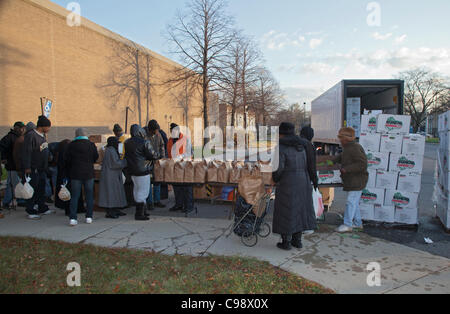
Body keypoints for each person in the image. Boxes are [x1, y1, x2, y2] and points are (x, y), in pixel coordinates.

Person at [272, 122, 317, 251]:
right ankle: (297, 241)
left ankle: (286, 242)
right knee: (300, 210)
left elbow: (278, 168)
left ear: (281, 133)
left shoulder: (281, 147)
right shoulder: (302, 145)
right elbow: (310, 164)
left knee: (286, 210)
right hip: (303, 181)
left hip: (288, 181)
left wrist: (276, 179)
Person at [333, 127, 368, 233]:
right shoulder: (348, 147)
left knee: (351, 201)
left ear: (345, 138)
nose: (339, 140)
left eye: (340, 138)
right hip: (354, 180)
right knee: (354, 202)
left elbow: (362, 164)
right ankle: (358, 223)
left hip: (357, 180)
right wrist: (331, 160)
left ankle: (347, 224)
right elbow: (341, 157)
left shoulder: (354, 148)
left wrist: (346, 169)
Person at [124, 124, 159, 221]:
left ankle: (143, 211)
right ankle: (139, 213)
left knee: (137, 190)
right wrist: (158, 154)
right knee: (143, 191)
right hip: (143, 170)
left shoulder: (127, 142)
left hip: (132, 170)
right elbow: (153, 155)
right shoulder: (144, 142)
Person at [65, 128, 99, 226]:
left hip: (75, 174)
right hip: (88, 173)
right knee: (89, 195)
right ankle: (89, 216)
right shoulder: (91, 145)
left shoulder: (71, 145)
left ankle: (73, 218)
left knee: (75, 196)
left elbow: (67, 159)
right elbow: (95, 157)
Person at [21, 116, 53, 220]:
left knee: (41, 189)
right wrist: (27, 167)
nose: (49, 129)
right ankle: (30, 210)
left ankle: (42, 207)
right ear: (42, 126)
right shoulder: (31, 136)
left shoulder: (42, 136)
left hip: (41, 168)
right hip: (33, 168)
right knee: (32, 189)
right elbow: (27, 152)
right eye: (48, 127)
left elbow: (44, 150)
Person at [167, 123, 194, 214]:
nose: (172, 133)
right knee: (177, 187)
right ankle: (179, 204)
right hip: (175, 167)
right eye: (171, 131)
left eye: (174, 131)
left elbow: (189, 153)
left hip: (185, 166)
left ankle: (189, 206)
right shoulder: (170, 140)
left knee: (186, 187)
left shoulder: (186, 139)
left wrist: (179, 157)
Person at [54, 139, 86, 216]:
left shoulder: (61, 155)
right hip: (71, 175)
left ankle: (69, 209)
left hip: (66, 176)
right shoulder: (68, 154)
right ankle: (75, 209)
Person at [98, 137, 128, 219]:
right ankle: (110, 211)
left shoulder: (111, 150)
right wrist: (125, 161)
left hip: (113, 175)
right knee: (111, 193)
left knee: (115, 192)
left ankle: (116, 209)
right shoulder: (111, 150)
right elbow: (115, 163)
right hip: (110, 175)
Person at [0, 121, 26, 211]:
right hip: (12, 165)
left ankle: (17, 199)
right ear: (16, 128)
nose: (23, 130)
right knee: (12, 183)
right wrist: (3, 158)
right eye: (22, 128)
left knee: (16, 183)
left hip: (16, 165)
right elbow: (1, 148)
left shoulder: (18, 137)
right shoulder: (9, 138)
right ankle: (8, 201)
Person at [300, 126, 319, 236]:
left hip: (294, 178)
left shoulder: (297, 143)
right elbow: (312, 166)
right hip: (305, 177)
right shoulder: (309, 146)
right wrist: (315, 181)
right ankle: (308, 226)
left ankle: (300, 225)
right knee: (307, 203)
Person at [145, 120, 166, 210]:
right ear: (151, 130)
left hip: (157, 161)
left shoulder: (158, 135)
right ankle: (150, 202)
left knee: (157, 181)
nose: (157, 132)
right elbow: (145, 149)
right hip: (148, 161)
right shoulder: (145, 136)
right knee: (149, 182)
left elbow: (162, 145)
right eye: (155, 130)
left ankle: (157, 200)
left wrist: (162, 158)